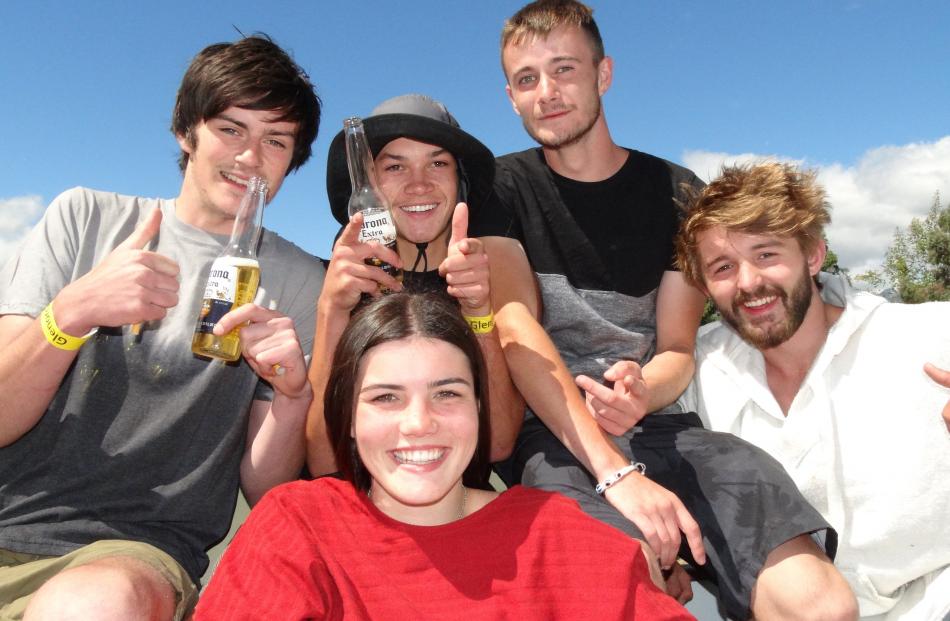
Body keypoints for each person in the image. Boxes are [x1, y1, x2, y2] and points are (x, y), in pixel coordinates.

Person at [469, 1, 858, 619]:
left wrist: (640, 392)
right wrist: (615, 475)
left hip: (664, 425)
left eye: (564, 69)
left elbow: (677, 348)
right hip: (553, 433)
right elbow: (515, 322)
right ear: (510, 97)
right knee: (618, 579)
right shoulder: (497, 186)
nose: (547, 93)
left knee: (820, 600)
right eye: (526, 79)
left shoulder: (678, 191)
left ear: (604, 74)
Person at [0, 35, 324, 620]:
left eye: (275, 140)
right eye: (231, 129)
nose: (250, 156)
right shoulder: (86, 217)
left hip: (134, 553)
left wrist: (292, 397)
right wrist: (70, 315)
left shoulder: (301, 281)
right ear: (186, 131)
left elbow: (267, 491)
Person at [196, 292, 694, 620]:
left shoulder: (558, 535)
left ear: (479, 408)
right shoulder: (299, 527)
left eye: (447, 394)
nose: (418, 423)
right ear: (347, 416)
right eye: (385, 397)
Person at [676, 162, 950, 620]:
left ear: (813, 256)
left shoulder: (924, 335)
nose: (748, 283)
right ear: (703, 286)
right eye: (723, 267)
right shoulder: (696, 369)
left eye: (766, 255)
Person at [306, 94, 531, 475]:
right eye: (395, 167)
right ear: (368, 187)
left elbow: (498, 443)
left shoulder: (489, 277)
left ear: (460, 184)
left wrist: (478, 312)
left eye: (438, 163)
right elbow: (323, 460)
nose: (419, 185)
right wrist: (332, 312)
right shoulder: (345, 283)